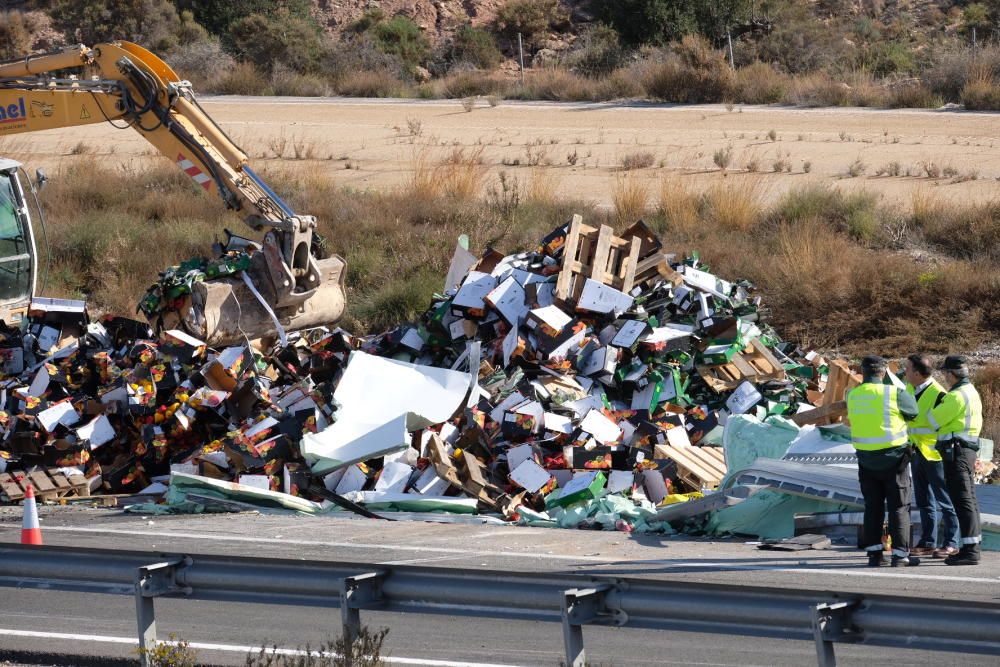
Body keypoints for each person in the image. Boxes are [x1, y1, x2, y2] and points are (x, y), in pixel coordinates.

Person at [847, 355, 919, 567]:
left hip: (866, 460)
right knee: (899, 507)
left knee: (873, 507)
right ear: (884, 372)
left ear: (863, 371)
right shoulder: (894, 393)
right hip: (894, 460)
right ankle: (900, 555)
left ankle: (874, 555)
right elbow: (913, 412)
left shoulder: (852, 395)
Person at [929, 355, 984, 566]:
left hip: (956, 452)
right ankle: (972, 545)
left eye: (945, 374)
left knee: (962, 500)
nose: (944, 377)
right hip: (966, 451)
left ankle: (970, 551)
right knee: (969, 499)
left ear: (951, 375)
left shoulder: (955, 396)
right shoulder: (971, 392)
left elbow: (933, 420)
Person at [904, 354, 960, 559]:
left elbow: (938, 424)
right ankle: (928, 542)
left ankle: (951, 542)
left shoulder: (939, 394)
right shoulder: (910, 388)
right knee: (923, 500)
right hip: (916, 451)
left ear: (918, 373)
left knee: (944, 500)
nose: (905, 372)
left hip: (934, 455)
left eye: (908, 369)